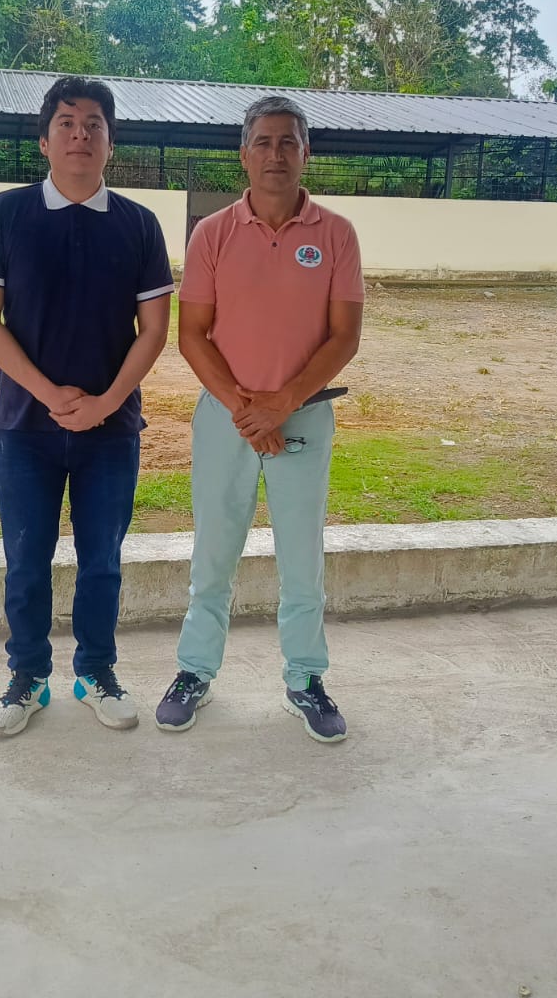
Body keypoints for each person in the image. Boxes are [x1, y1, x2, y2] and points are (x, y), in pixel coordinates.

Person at [0, 76, 173, 737]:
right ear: (44, 140)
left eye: (93, 125)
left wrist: (107, 401)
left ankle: (96, 673)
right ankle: (27, 677)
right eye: (66, 123)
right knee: (26, 560)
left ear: (111, 141)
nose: (80, 134)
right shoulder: (5, 214)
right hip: (26, 426)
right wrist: (49, 393)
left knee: (102, 561)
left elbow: (155, 329)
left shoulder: (139, 225)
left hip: (112, 431)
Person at [154, 95, 364, 743]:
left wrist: (283, 403)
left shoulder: (336, 234)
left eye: (289, 142)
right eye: (264, 142)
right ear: (244, 155)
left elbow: (344, 336)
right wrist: (248, 411)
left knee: (302, 558)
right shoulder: (213, 233)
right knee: (214, 554)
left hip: (305, 417)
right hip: (226, 417)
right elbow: (192, 335)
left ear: (307, 153)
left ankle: (305, 679)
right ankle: (195, 671)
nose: (277, 154)